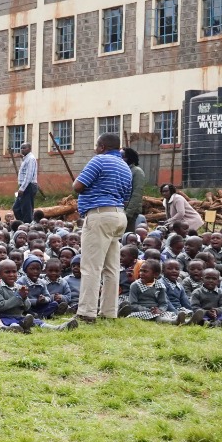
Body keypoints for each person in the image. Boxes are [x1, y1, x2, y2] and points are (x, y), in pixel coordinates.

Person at [72, 132, 133, 322]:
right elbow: (126, 196)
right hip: (118, 215)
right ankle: (109, 312)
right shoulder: (125, 166)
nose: (95, 149)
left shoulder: (99, 160)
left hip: (99, 215)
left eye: (96, 145)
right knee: (112, 267)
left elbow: (78, 186)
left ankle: (87, 312)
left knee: (90, 266)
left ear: (102, 147)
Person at [12, 143, 38, 226]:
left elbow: (29, 175)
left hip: (28, 186)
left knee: (27, 209)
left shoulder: (30, 159)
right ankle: (22, 225)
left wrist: (22, 188)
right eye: (21, 148)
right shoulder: (25, 159)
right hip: (24, 186)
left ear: (29, 149)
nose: (22, 149)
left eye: (24, 148)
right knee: (16, 208)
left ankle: (28, 226)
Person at [123, 147, 147, 228]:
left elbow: (137, 194)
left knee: (127, 236)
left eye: (122, 156)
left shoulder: (137, 172)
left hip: (130, 213)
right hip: (120, 211)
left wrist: (128, 213)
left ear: (129, 158)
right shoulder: (122, 171)